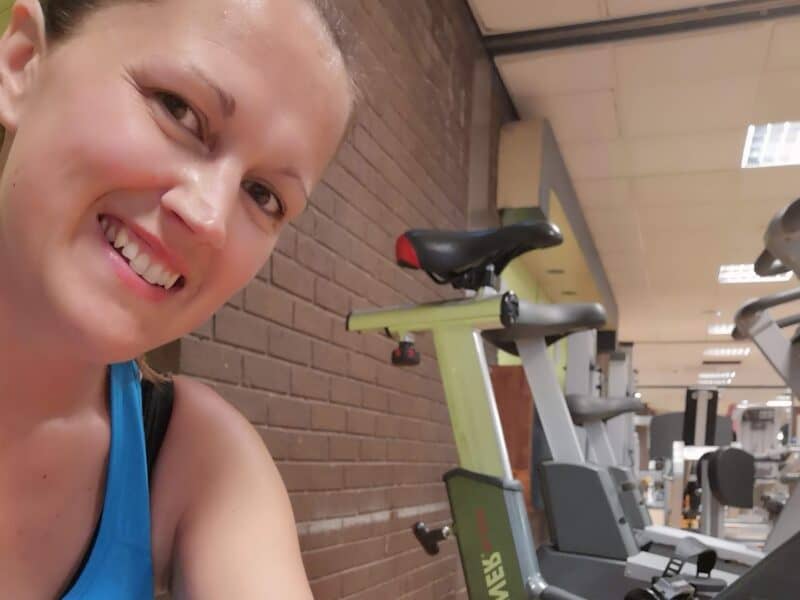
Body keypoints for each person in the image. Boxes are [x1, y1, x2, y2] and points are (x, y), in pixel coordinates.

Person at [0, 0, 354, 597]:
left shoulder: (198, 462)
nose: (210, 218)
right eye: (179, 111)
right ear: (24, 63)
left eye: (264, 195)